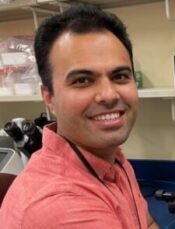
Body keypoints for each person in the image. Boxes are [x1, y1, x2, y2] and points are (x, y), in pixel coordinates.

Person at [0, 4, 159, 229]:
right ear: (49, 97)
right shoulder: (60, 207)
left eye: (120, 76)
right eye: (82, 80)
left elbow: (146, 222)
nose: (109, 95)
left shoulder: (112, 159)